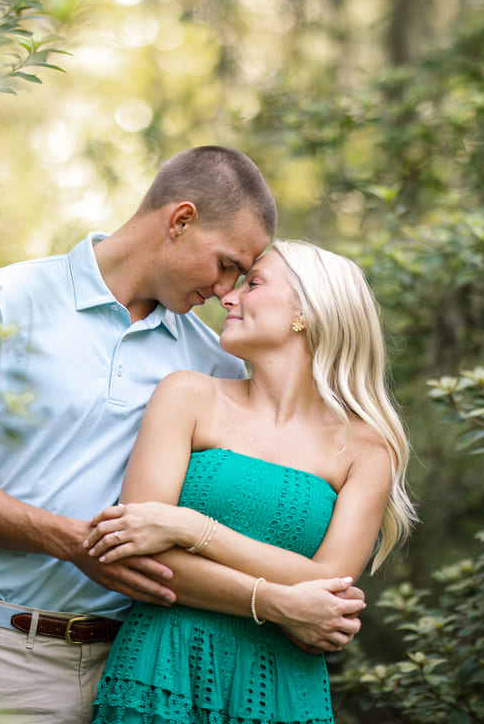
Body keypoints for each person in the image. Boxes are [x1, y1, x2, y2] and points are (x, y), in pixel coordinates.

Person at [0, 147, 367, 724]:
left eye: (246, 277)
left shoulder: (215, 363)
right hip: (11, 657)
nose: (228, 290)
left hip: (160, 664)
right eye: (227, 264)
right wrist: (72, 542)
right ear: (180, 221)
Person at [83, 240, 417, 723]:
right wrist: (281, 602)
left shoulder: (368, 448)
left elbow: (329, 584)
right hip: (162, 668)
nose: (229, 296)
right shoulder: (189, 396)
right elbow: (137, 553)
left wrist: (191, 529)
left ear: (308, 311)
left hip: (280, 688)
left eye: (253, 284)